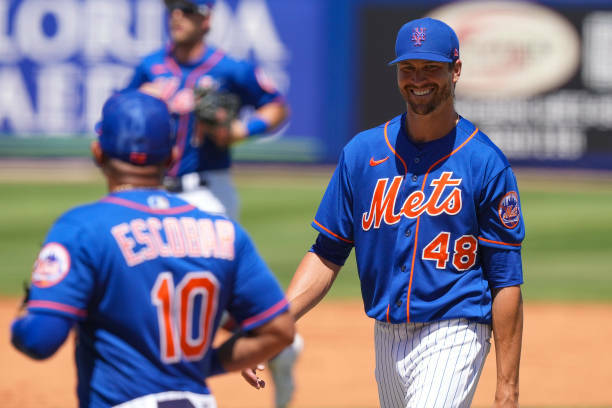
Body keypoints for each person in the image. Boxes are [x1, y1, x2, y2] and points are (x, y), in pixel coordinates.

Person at [264, 17, 525, 407]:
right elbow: (327, 251)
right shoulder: (362, 153)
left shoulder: (485, 162)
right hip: (386, 335)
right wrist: (279, 320)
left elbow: (505, 279)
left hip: (455, 329)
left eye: (431, 68)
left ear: (456, 70)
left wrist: (508, 387)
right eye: (408, 69)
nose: (418, 79)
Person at [10, 90, 295, 408]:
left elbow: (38, 339)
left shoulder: (82, 228)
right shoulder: (224, 231)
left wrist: (28, 310)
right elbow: (278, 331)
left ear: (97, 152)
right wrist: (203, 365)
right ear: (172, 157)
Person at [125, 4, 302, 406]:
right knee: (162, 290)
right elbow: (120, 112)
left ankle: (273, 342)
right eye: (173, 8)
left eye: (187, 9)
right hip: (156, 191)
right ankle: (275, 344)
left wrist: (238, 130)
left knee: (211, 288)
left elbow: (276, 105)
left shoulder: (230, 68)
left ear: (207, 20)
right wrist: (140, 97)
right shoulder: (150, 67)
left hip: (208, 191)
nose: (177, 15)